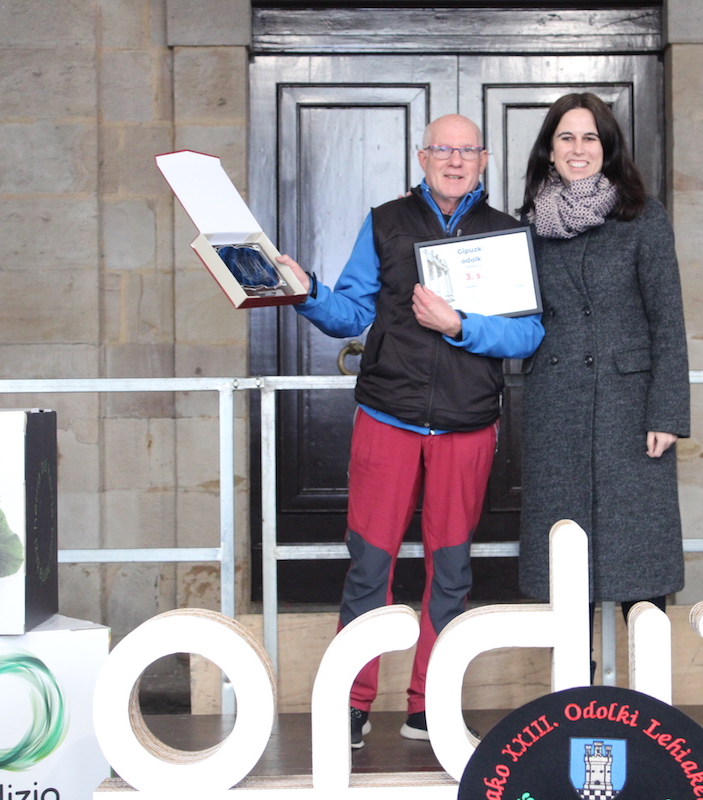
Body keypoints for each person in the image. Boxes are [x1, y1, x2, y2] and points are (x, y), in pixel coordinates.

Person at [275, 114, 544, 748]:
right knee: (370, 565)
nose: (455, 160)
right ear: (422, 158)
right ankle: (353, 703)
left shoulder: (505, 233)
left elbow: (529, 334)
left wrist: (459, 326)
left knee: (451, 571)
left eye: (467, 151)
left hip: (467, 425)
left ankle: (430, 706)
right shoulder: (386, 222)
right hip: (387, 417)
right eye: (442, 149)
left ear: (483, 160)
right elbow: (350, 314)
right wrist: (306, 291)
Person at [517, 93, 690, 628]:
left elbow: (668, 320)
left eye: (590, 137)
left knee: (640, 565)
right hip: (556, 408)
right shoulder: (528, 224)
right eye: (566, 137)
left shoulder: (644, 216)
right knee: (564, 571)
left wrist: (667, 413)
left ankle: (648, 680)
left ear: (607, 147)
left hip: (629, 412)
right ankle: (578, 681)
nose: (578, 148)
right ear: (549, 150)